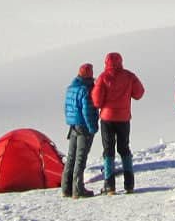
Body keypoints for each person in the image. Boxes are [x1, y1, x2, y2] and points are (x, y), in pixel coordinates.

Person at [92, 51, 145, 194]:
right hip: (123, 118)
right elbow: (139, 93)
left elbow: (96, 101)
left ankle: (109, 185)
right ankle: (129, 184)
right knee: (124, 148)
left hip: (107, 118)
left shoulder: (103, 77)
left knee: (108, 150)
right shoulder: (129, 76)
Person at [61, 63, 99, 198]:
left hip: (73, 127)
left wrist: (70, 121)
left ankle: (66, 188)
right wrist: (92, 127)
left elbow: (66, 108)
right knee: (80, 158)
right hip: (83, 127)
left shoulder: (71, 88)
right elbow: (87, 111)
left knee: (71, 157)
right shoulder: (85, 90)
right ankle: (78, 189)